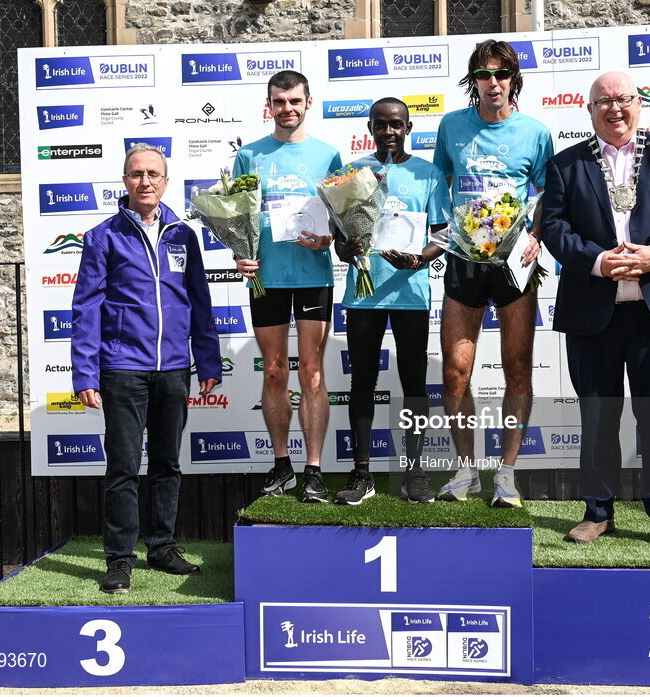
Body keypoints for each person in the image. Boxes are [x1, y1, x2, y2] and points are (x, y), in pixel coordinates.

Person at [542, 71, 650, 551]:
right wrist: (598, 262)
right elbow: (554, 227)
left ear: (638, 104)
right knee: (597, 419)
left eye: (623, 99)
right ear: (589, 110)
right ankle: (598, 513)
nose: (614, 108)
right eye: (603, 101)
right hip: (593, 316)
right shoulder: (566, 164)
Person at [72, 143, 221, 593]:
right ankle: (120, 559)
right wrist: (85, 372)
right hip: (122, 367)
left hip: (173, 366)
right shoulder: (103, 237)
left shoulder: (183, 235)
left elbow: (199, 301)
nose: (145, 181)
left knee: (166, 463)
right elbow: (86, 308)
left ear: (165, 181)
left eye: (153, 174)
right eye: (137, 174)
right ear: (125, 181)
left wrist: (208, 359)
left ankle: (162, 547)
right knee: (122, 467)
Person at [431, 39, 553, 508]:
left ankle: (506, 474)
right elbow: (437, 183)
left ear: (513, 79)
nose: (493, 82)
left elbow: (547, 193)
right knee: (455, 371)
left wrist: (536, 235)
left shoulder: (535, 132)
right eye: (484, 74)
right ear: (474, 81)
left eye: (501, 74)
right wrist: (442, 232)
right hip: (464, 261)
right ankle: (466, 470)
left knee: (517, 367)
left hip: (513, 264)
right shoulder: (452, 126)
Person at [332, 98, 450, 505]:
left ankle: (413, 472)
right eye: (380, 125)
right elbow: (340, 241)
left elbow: (443, 235)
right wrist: (346, 249)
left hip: (410, 294)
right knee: (362, 382)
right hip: (364, 294)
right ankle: (361, 473)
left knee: (414, 384)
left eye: (396, 125)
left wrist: (418, 260)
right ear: (369, 128)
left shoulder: (428, 173)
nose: (388, 132)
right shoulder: (352, 173)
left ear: (408, 127)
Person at [233, 70, 342, 503]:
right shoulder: (249, 155)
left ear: (308, 102)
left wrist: (328, 239)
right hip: (267, 276)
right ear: (269, 105)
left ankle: (314, 469)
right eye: (279, 101)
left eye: (294, 101)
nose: (287, 108)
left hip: (313, 275)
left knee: (312, 371)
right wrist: (239, 254)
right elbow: (237, 216)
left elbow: (340, 220)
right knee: (275, 370)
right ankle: (281, 464)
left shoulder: (329, 155)